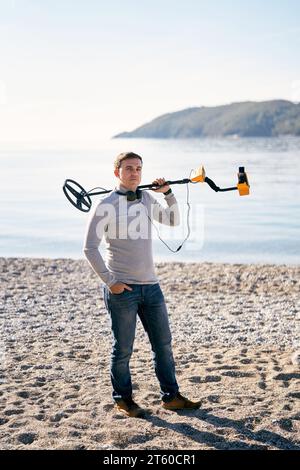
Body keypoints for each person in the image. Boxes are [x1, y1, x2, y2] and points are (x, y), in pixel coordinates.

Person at [83, 152, 201, 418]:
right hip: (122, 290)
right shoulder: (105, 205)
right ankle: (123, 399)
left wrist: (168, 193)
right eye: (128, 168)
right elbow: (89, 248)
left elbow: (173, 221)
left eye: (138, 169)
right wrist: (110, 281)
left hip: (151, 287)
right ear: (117, 172)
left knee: (163, 345)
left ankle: (171, 397)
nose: (134, 173)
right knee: (123, 349)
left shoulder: (147, 198)